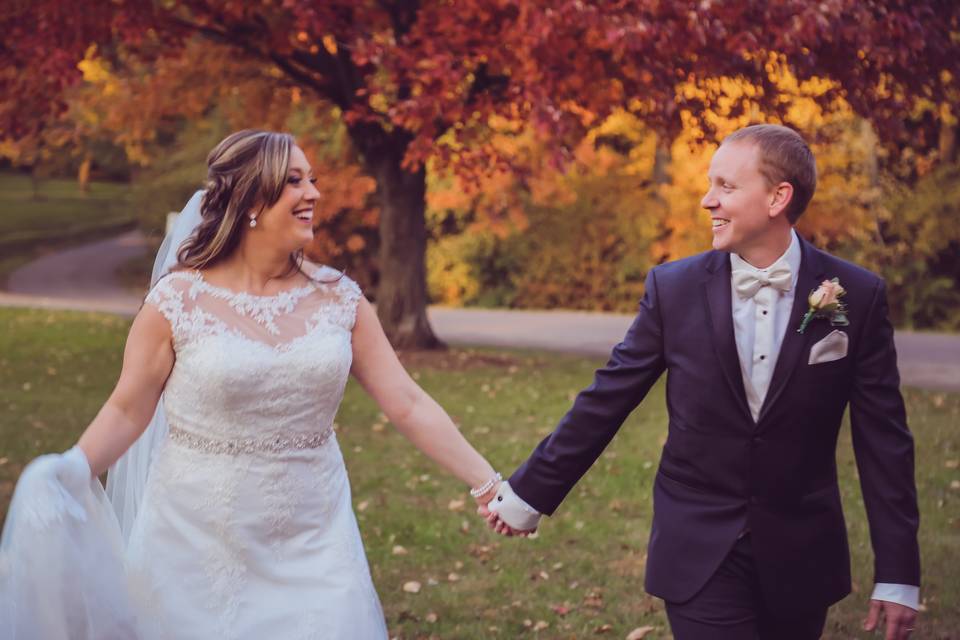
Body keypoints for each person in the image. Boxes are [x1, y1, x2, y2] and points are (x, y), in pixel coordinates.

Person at [0, 129, 503, 639]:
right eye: (293, 181)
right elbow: (128, 409)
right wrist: (72, 468)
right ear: (250, 202)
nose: (312, 193)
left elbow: (409, 403)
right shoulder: (177, 301)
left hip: (316, 539)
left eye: (312, 180)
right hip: (195, 543)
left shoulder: (341, 300)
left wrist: (487, 482)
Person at [484, 124, 921, 640]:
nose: (706, 199)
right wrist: (529, 495)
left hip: (802, 551)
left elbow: (884, 440)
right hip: (698, 546)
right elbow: (608, 398)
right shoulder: (674, 290)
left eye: (726, 187)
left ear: (779, 197)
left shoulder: (858, 296)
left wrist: (898, 574)